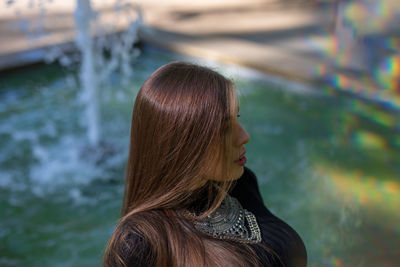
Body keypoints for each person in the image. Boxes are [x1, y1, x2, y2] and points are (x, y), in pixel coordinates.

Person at [103, 62, 307, 267]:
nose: (244, 136)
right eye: (224, 128)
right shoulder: (140, 245)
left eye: (237, 117)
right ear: (182, 142)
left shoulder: (240, 183)